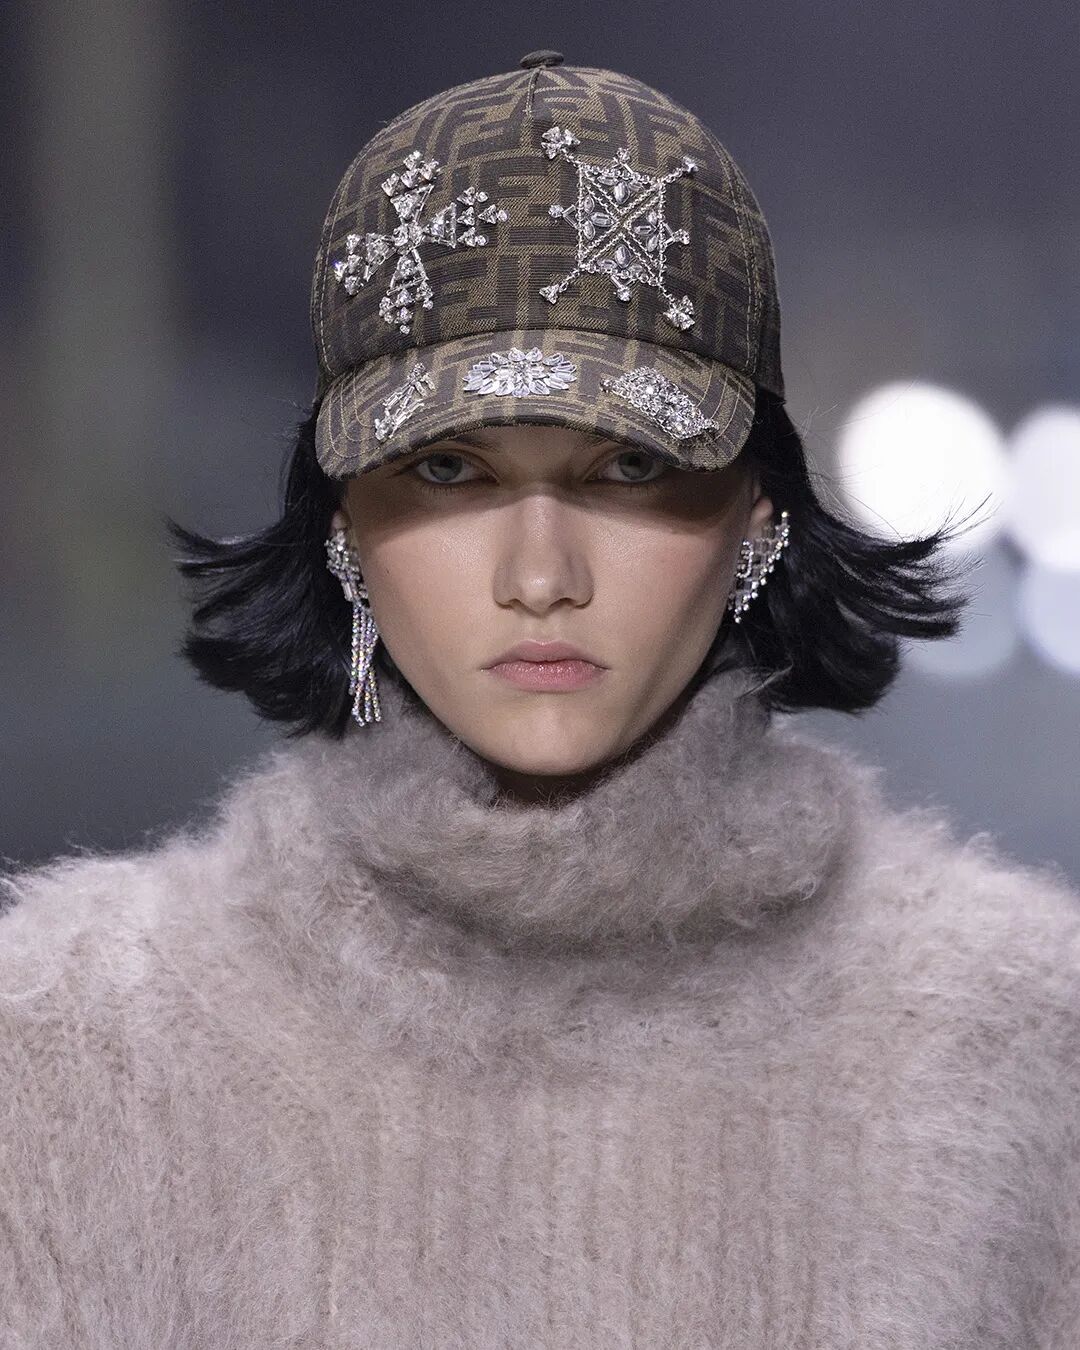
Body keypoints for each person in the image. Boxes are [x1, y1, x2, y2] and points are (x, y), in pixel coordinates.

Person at [3, 51, 1080, 1349]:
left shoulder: (1027, 1039)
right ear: (341, 525)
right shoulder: (62, 1046)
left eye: (630, 466)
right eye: (448, 469)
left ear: (759, 516)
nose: (540, 575)